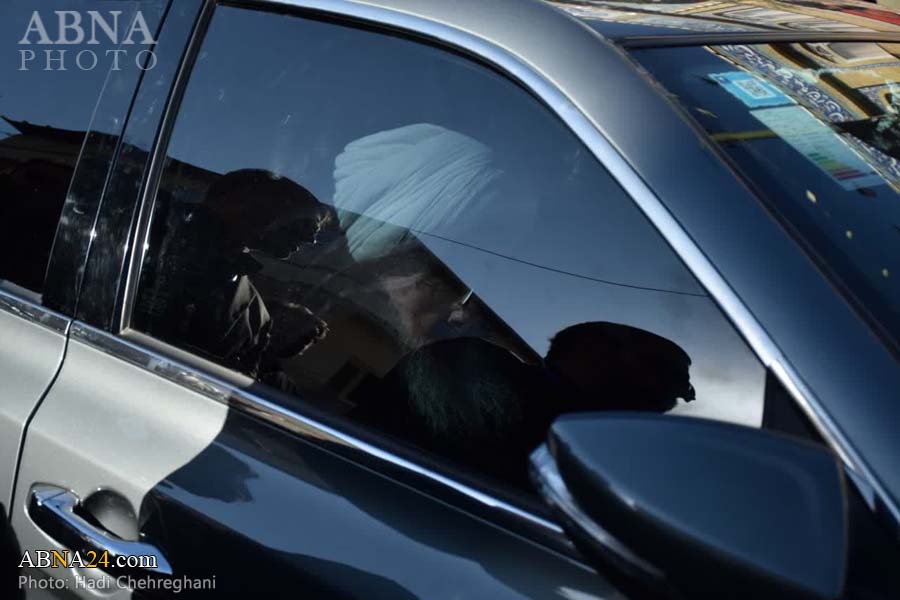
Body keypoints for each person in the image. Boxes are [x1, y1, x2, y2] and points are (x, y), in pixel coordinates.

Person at [137, 169, 332, 379]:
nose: (311, 240)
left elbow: (231, 385)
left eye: (314, 231)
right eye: (303, 222)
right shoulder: (142, 227)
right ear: (246, 203)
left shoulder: (257, 316)